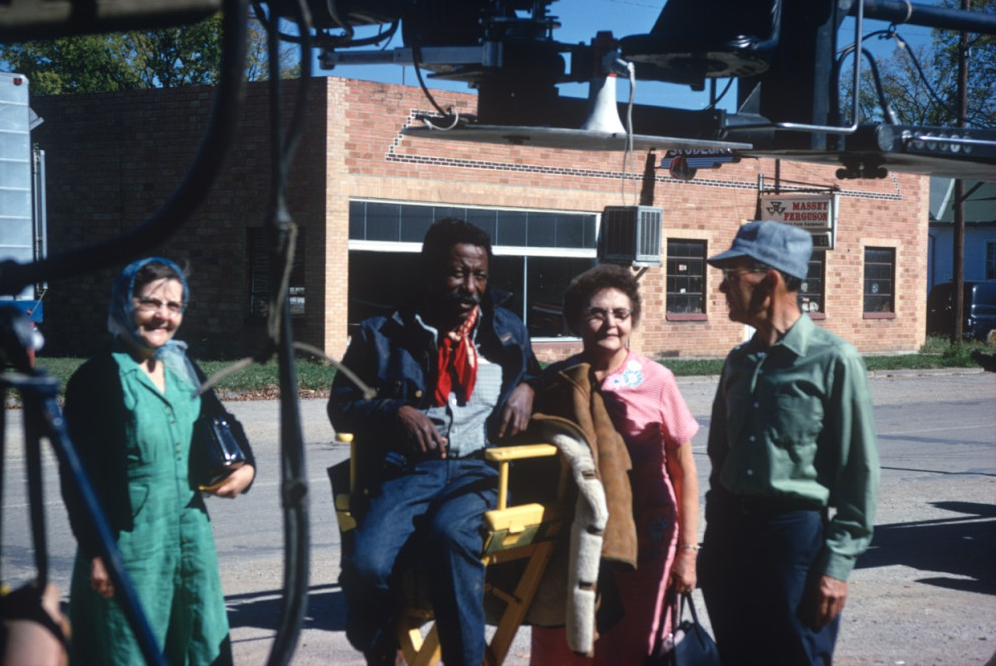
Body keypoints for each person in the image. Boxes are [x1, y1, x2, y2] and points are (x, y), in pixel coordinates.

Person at [328, 218, 541, 666]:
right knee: (367, 567)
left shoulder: (506, 330)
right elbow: (341, 407)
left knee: (450, 537)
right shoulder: (380, 334)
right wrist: (394, 411)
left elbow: (537, 372)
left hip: (478, 472)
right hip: (407, 472)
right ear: (429, 274)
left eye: (479, 275)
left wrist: (528, 389)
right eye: (457, 273)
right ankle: (385, 642)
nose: (470, 287)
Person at [699, 221, 880, 666]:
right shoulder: (740, 361)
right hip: (729, 535)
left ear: (770, 278)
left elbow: (859, 474)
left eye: (731, 274)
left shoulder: (833, 359)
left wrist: (836, 566)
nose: (720, 288)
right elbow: (720, 454)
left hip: (791, 540)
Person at [60, 257, 255, 666]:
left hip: (190, 535)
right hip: (128, 543)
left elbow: (223, 423)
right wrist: (97, 553)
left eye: (174, 306)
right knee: (128, 646)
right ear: (123, 303)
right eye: (151, 303)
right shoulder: (96, 378)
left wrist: (246, 467)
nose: (163, 316)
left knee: (198, 640)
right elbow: (79, 475)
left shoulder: (181, 365)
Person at [529, 264, 701, 665]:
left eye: (621, 314)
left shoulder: (657, 379)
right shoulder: (557, 380)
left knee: (637, 644)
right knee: (569, 641)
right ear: (576, 319)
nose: (611, 323)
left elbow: (684, 470)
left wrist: (687, 552)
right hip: (576, 539)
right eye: (597, 313)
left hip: (648, 540)